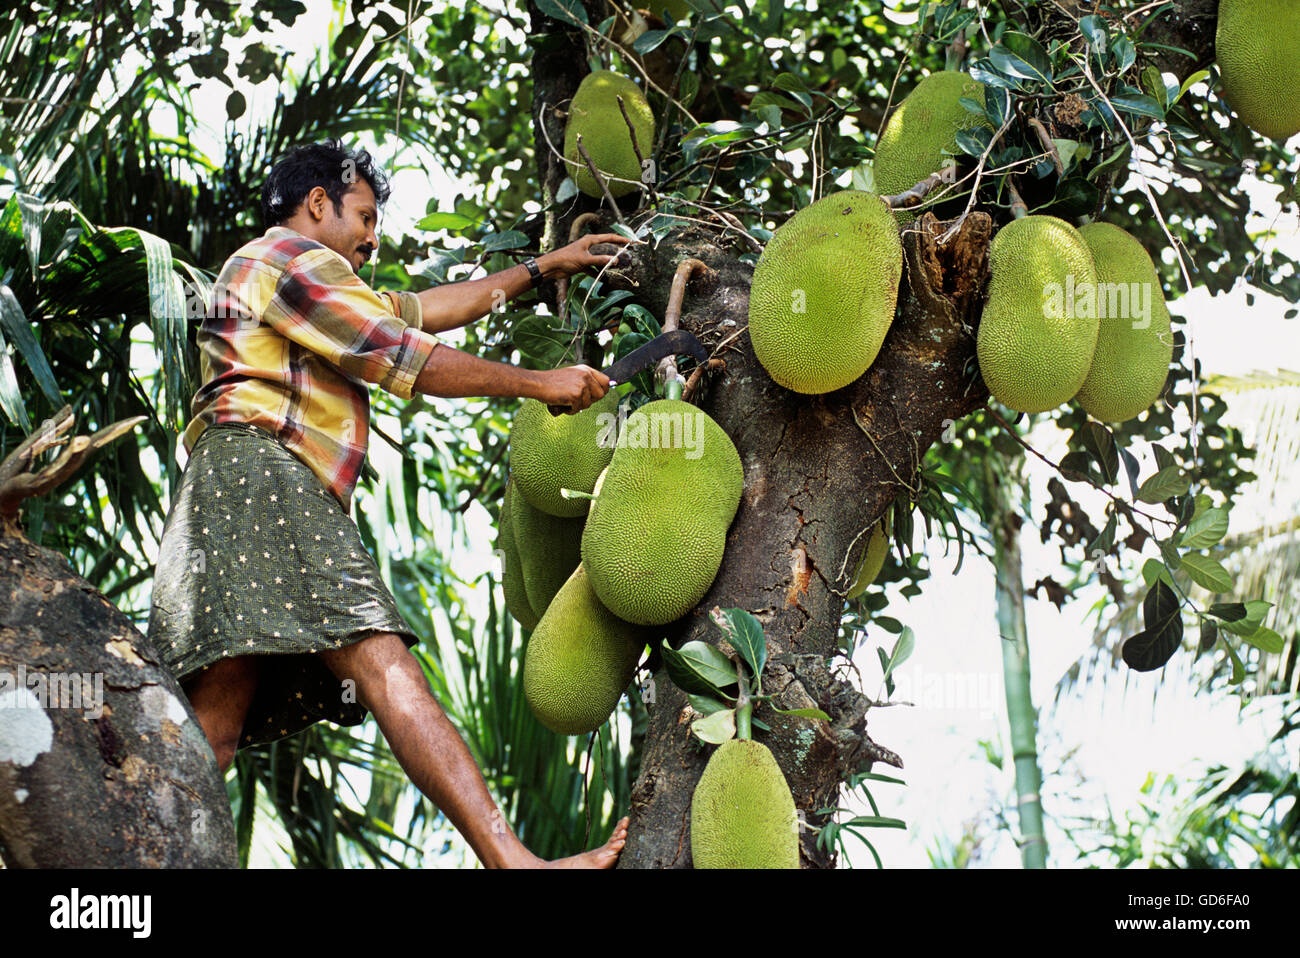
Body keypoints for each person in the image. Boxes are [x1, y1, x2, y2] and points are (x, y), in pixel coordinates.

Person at [148, 138, 630, 868]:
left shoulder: (301, 279)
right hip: (265, 473)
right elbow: (401, 354)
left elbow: (424, 312)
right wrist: (538, 382)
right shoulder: (281, 259)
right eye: (365, 217)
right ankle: (512, 862)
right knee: (381, 660)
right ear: (318, 203)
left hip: (223, 493)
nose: (374, 238)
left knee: (212, 724)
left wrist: (542, 268)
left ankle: (143, 871)